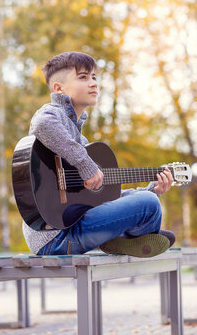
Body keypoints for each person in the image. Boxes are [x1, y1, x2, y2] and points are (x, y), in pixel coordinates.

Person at [21, 51, 175, 257]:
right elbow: (42, 125)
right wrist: (86, 165)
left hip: (74, 226)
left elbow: (102, 200)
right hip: (56, 236)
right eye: (83, 77)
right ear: (59, 88)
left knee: (148, 200)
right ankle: (127, 237)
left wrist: (150, 189)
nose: (93, 83)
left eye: (94, 77)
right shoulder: (52, 114)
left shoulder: (79, 143)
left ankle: (123, 237)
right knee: (149, 207)